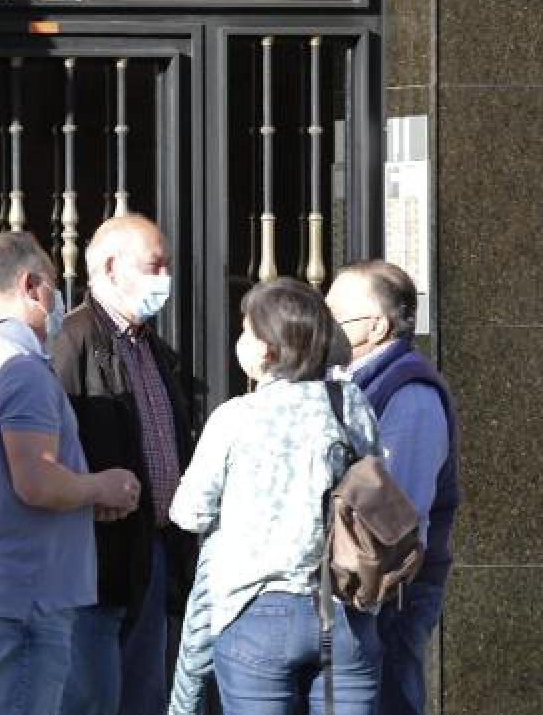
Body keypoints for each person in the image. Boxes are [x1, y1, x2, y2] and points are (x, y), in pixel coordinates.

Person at [170, 277, 382, 715]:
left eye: (246, 331)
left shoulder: (234, 418)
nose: (240, 341)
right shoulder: (350, 403)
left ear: (266, 348)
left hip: (255, 612)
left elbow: (188, 512)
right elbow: (378, 485)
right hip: (345, 609)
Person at [0, 231, 141, 715]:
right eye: (54, 285)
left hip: (16, 586)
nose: (57, 299)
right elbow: (36, 481)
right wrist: (103, 485)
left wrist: (81, 494)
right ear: (31, 285)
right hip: (29, 594)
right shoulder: (21, 368)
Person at [51, 214, 198, 715]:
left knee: (144, 695)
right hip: (98, 553)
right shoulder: (72, 341)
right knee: (92, 697)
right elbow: (51, 447)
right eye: (156, 265)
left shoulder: (152, 348)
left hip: (153, 547)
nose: (165, 279)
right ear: (112, 268)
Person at [326, 260, 459, 715]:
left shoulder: (409, 392)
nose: (323, 324)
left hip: (392, 588)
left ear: (377, 326)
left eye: (334, 315)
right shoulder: (357, 381)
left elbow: (395, 509)